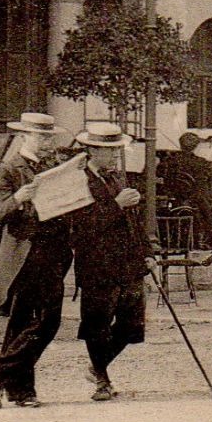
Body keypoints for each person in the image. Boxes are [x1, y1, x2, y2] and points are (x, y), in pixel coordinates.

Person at [0, 113, 75, 407]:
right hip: (25, 254)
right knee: (33, 321)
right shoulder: (7, 170)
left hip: (54, 250)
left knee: (43, 321)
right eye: (41, 136)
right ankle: (17, 387)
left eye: (49, 137)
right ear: (24, 137)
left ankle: (2, 375)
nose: (47, 143)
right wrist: (19, 198)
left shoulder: (54, 167)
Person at [65, 124, 147, 401]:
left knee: (131, 324)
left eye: (117, 151)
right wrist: (116, 205)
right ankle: (101, 379)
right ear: (92, 150)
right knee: (98, 323)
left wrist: (146, 252)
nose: (115, 157)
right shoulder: (76, 180)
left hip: (127, 262)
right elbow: (79, 225)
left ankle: (96, 366)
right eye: (110, 152)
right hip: (96, 263)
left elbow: (131, 223)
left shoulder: (114, 178)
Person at [161, 131, 212, 247]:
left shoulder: (170, 161)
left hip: (175, 196)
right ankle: (209, 240)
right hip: (195, 198)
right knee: (208, 207)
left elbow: (161, 173)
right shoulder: (200, 162)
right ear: (196, 146)